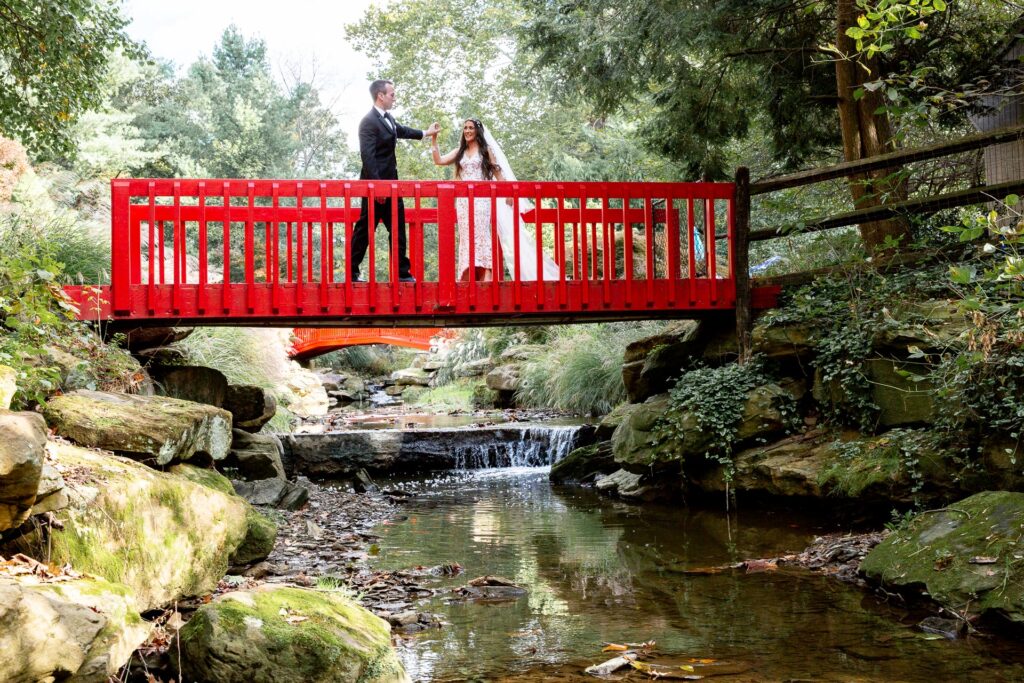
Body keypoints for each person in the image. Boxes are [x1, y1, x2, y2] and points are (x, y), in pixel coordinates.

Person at [430, 118, 559, 282]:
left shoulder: (485, 150)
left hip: (482, 201)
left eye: (471, 128)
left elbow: (497, 172)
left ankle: (486, 276)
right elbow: (438, 160)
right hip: (464, 203)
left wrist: (508, 192)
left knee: (481, 235)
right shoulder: (459, 151)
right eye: (465, 128)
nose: (468, 131)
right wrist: (434, 139)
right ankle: (467, 275)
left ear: (477, 131)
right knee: (466, 237)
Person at [350, 79, 440, 283]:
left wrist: (426, 133)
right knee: (365, 229)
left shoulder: (388, 118)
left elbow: (403, 131)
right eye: (392, 94)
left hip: (392, 186)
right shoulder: (368, 121)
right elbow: (368, 157)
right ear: (380, 96)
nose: (394, 97)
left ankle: (401, 273)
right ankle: (351, 272)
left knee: (398, 227)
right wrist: (378, 188)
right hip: (375, 187)